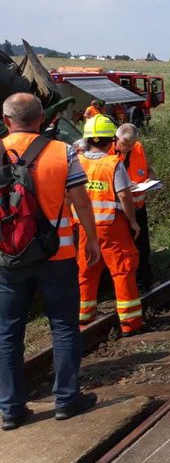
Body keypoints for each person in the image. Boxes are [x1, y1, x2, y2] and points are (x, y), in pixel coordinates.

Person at [0, 94, 99, 430]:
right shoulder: (63, 151)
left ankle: (11, 408)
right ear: (42, 119)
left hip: (8, 258)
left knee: (8, 332)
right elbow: (82, 203)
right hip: (58, 254)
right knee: (64, 326)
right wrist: (93, 240)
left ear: (5, 120)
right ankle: (67, 400)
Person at [76, 115, 144, 337]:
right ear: (110, 141)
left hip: (85, 228)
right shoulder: (112, 164)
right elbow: (124, 195)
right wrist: (133, 221)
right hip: (111, 226)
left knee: (86, 271)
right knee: (122, 269)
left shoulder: (77, 161)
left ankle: (84, 319)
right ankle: (130, 322)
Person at [112, 123, 156, 293]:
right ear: (117, 138)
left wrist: (150, 179)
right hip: (121, 211)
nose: (127, 148)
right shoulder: (109, 153)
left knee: (143, 246)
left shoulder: (138, 148)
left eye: (131, 145)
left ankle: (146, 280)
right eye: (124, 144)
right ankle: (131, 284)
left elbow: (149, 170)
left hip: (139, 206)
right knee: (126, 250)